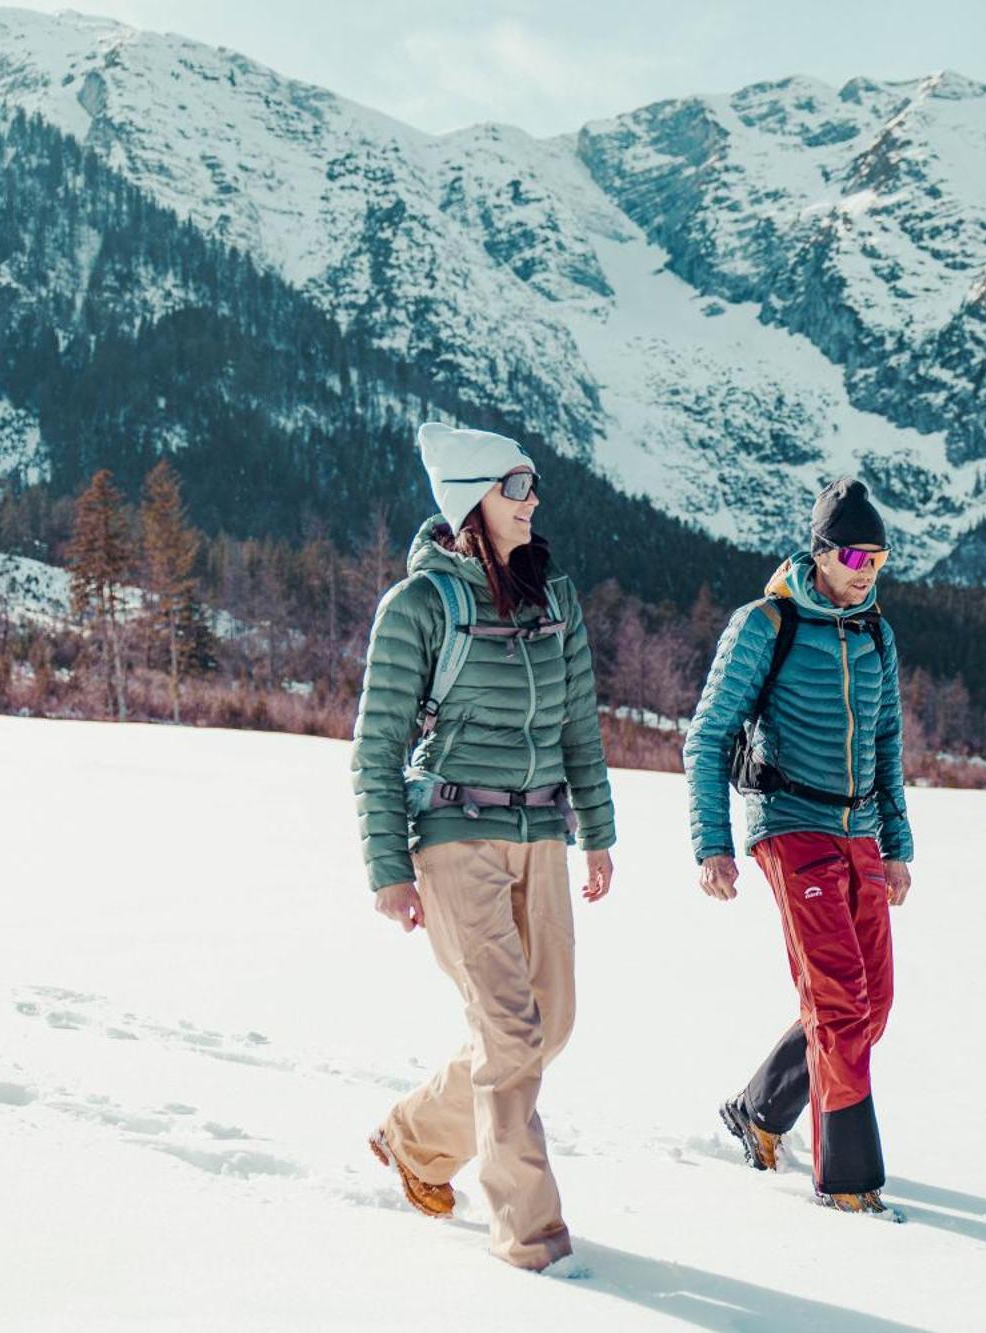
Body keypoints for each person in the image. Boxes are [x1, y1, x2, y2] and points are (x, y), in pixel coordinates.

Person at [351, 421, 614, 1274]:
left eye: (532, 484)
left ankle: (417, 1142)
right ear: (472, 501)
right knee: (508, 1034)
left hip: (541, 830)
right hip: (455, 833)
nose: (533, 499)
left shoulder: (556, 599)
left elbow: (579, 723)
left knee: (550, 1026)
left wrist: (598, 833)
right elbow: (377, 746)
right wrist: (389, 868)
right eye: (515, 487)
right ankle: (535, 1241)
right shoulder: (420, 606)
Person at [683, 477, 914, 1218]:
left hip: (860, 835)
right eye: (852, 553)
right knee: (840, 1004)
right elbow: (709, 733)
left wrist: (897, 844)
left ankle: (758, 1111)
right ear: (819, 552)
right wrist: (712, 843)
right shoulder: (767, 623)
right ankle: (848, 1181)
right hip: (792, 827)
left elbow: (886, 746)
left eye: (877, 555)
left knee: (871, 1003)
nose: (865, 568)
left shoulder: (876, 632)